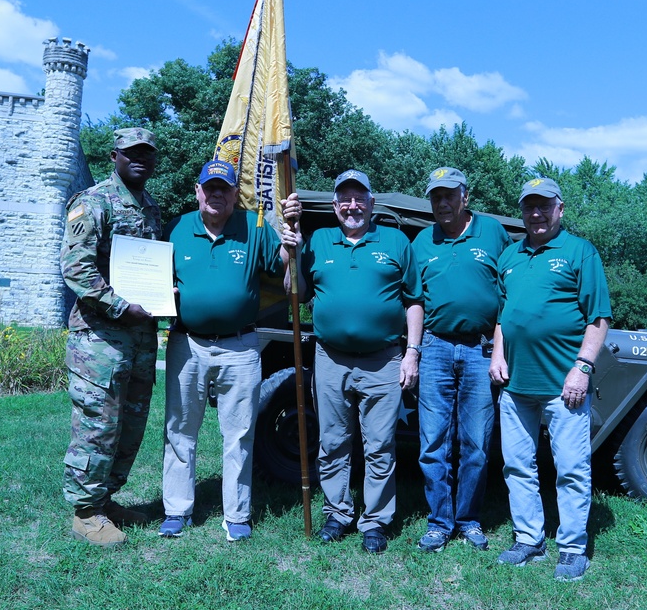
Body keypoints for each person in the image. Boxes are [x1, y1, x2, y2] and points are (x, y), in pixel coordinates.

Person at [159, 160, 301, 541]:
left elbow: (283, 272)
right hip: (186, 343)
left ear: (236, 194)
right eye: (211, 187)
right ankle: (176, 509)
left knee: (238, 433)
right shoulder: (176, 228)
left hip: (240, 346)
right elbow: (154, 277)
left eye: (225, 188)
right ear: (197, 190)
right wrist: (161, 295)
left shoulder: (253, 228)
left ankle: (236, 515)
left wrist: (292, 244)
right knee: (179, 429)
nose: (217, 194)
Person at [292, 169, 422, 554]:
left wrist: (411, 352)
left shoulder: (397, 241)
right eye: (345, 199)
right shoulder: (318, 241)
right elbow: (296, 293)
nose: (352, 206)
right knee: (332, 441)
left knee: (380, 444)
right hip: (330, 359)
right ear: (335, 206)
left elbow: (414, 300)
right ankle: (338, 512)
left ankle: (376, 521)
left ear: (371, 202)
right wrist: (293, 253)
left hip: (383, 360)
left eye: (359, 198)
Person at [489, 177, 611, 582]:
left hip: (565, 387)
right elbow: (504, 316)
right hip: (516, 386)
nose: (536, 214)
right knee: (517, 466)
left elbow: (598, 318)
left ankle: (573, 548)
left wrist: (583, 368)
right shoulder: (510, 255)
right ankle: (529, 538)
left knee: (572, 468)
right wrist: (496, 353)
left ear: (560, 209)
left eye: (544, 206)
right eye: (529, 207)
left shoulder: (580, 252)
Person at [60, 127, 162, 547]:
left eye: (147, 154)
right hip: (99, 341)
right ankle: (85, 513)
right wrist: (122, 306)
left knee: (130, 425)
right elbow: (77, 268)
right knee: (98, 424)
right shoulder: (93, 201)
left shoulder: (151, 207)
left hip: (138, 339)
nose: (140, 159)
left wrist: (163, 294)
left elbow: (151, 269)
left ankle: (106, 500)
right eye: (131, 152)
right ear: (114, 156)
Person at [411, 167, 511, 553]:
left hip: (480, 349)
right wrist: (414, 351)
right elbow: (415, 301)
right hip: (435, 347)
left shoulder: (493, 233)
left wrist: (500, 347)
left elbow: (508, 293)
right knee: (433, 443)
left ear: (465, 197)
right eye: (436, 196)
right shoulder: (421, 241)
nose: (443, 202)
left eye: (450, 195)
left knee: (477, 444)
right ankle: (439, 522)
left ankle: (468, 519)